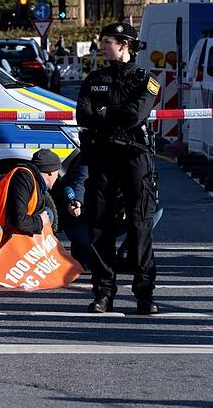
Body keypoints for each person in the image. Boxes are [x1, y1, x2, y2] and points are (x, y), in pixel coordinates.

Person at [76, 21, 161, 315]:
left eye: (108, 41)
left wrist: (105, 113)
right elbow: (83, 115)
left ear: (123, 44)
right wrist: (110, 115)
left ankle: (144, 294)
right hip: (101, 156)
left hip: (134, 157)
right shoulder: (94, 78)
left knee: (139, 225)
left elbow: (135, 115)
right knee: (99, 225)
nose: (102, 46)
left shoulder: (145, 79)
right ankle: (103, 293)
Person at [0, 149, 61, 261]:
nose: (57, 177)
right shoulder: (23, 178)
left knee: (47, 213)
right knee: (46, 215)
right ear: (51, 172)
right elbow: (19, 221)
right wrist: (40, 221)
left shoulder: (34, 180)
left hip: (2, 235)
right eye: (57, 173)